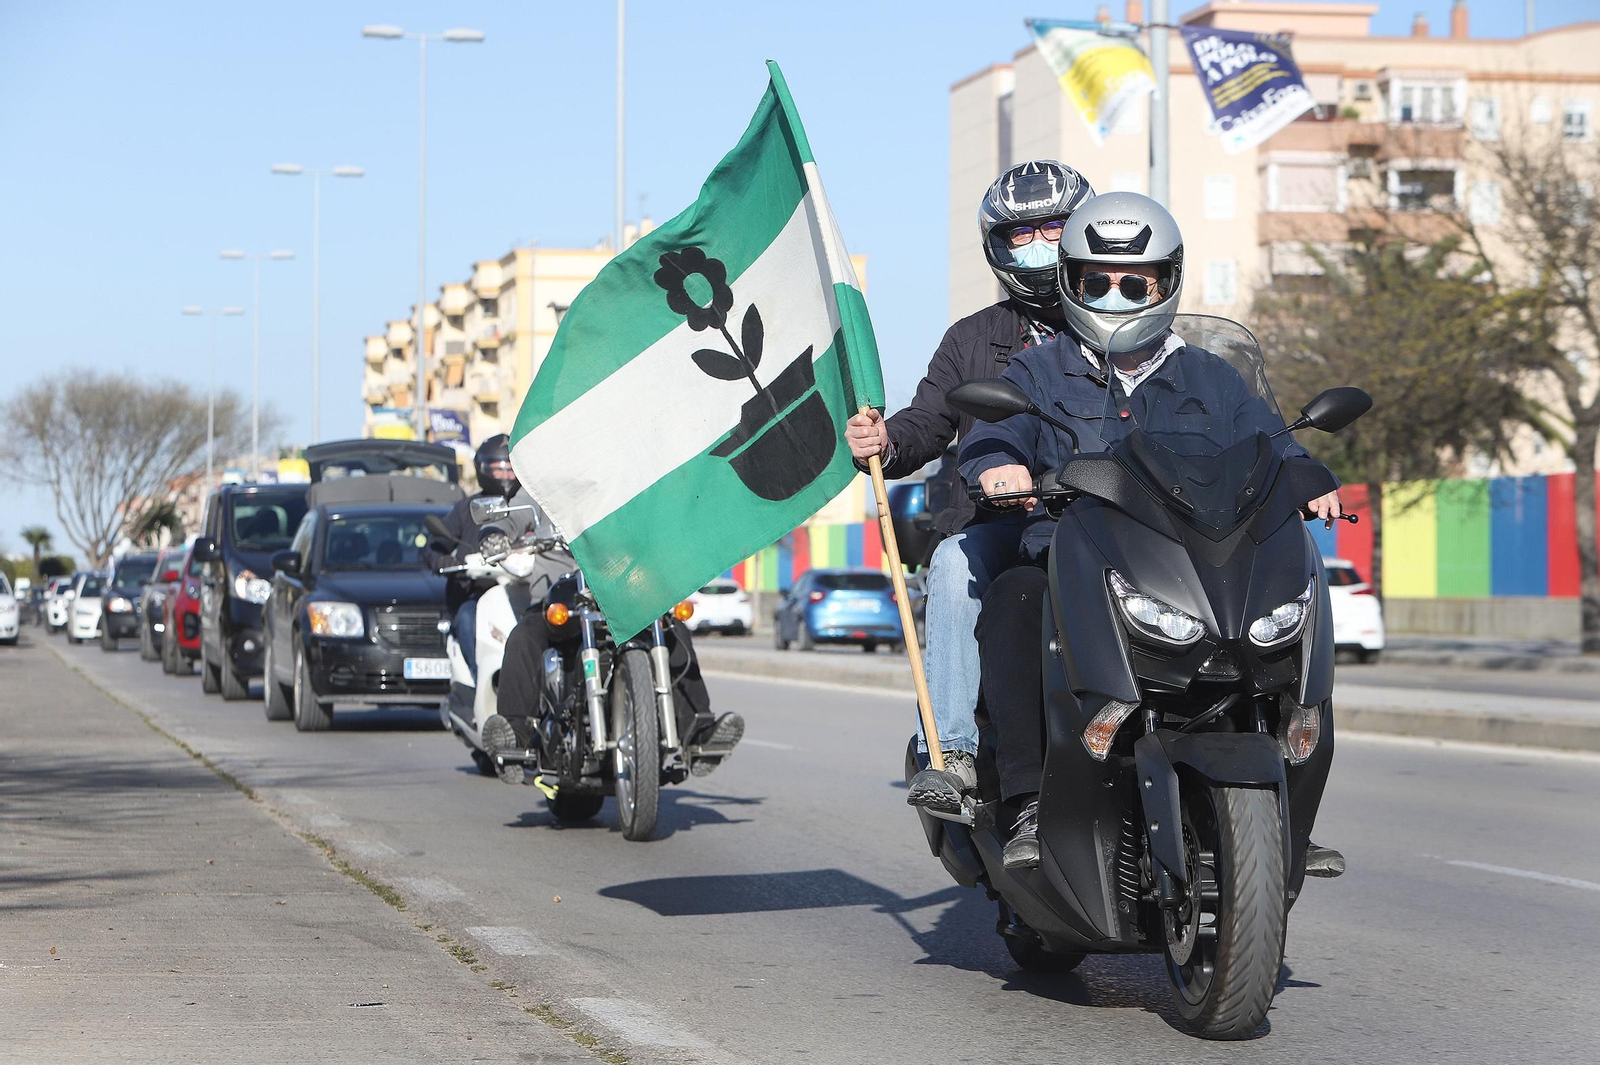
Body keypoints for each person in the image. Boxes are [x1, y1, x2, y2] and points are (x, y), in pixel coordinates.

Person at [958, 191, 1345, 876]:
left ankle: (1290, 806)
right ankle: (1023, 802)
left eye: (1133, 282)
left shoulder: (1212, 376)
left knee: (1294, 624)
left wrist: (1312, 478)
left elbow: (1274, 441)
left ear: (1166, 283)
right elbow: (994, 432)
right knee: (1013, 602)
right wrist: (998, 464)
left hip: (1192, 565)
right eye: (1096, 281)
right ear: (1071, 282)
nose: (1114, 295)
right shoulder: (1036, 370)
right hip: (1073, 563)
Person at [844, 160, 1094, 812]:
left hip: (1107, 521)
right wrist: (886, 438)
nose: (1040, 245)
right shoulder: (970, 338)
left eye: (1055, 227)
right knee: (954, 563)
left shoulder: (1119, 327)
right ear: (997, 245)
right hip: (1000, 524)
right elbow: (930, 420)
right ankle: (953, 753)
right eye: (1022, 234)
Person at [420, 434, 522, 683]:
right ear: (484, 469)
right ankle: (481, 681)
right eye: (499, 469)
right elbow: (433, 547)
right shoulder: (467, 509)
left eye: (511, 468)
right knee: (467, 618)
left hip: (523, 592)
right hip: (475, 594)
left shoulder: (528, 506)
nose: (506, 475)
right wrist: (444, 562)